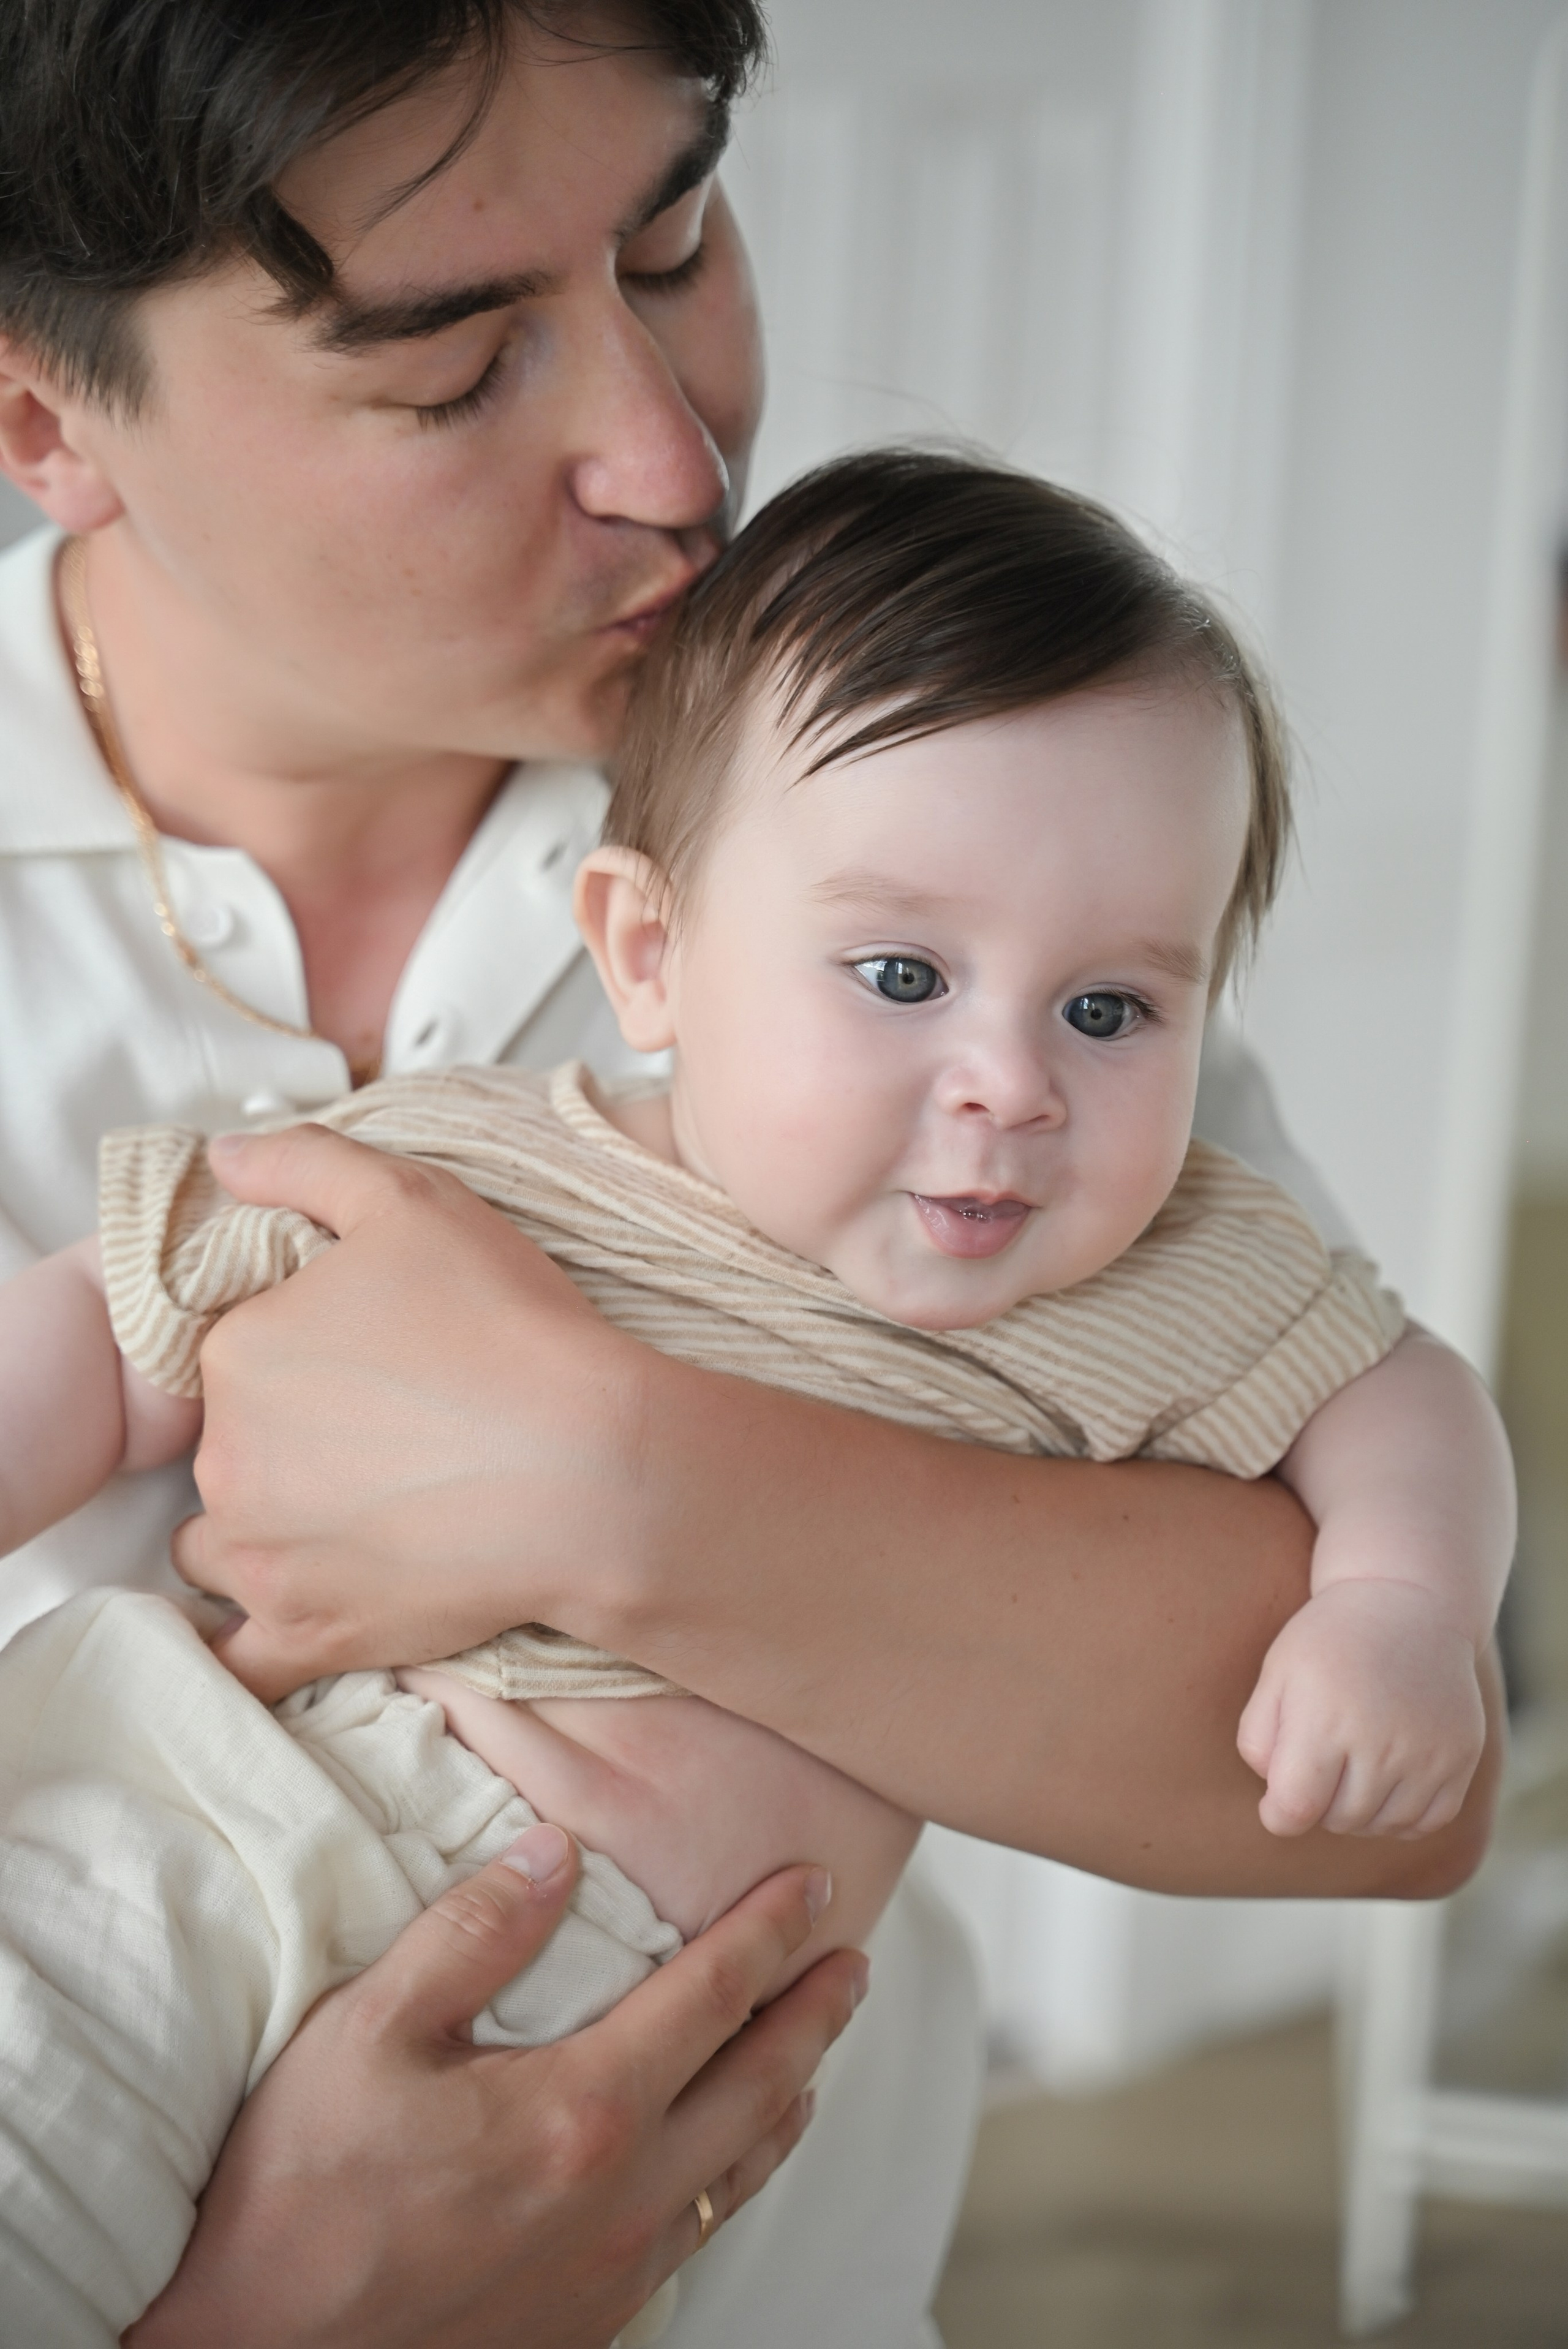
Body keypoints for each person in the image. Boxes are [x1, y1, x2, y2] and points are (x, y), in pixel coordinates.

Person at [0, 4, 1501, 2344]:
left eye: (680, 236)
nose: (673, 458)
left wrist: (618, 1491)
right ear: (38, 418)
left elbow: (1385, 1786)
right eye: (453, 366)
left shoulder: (925, 845)